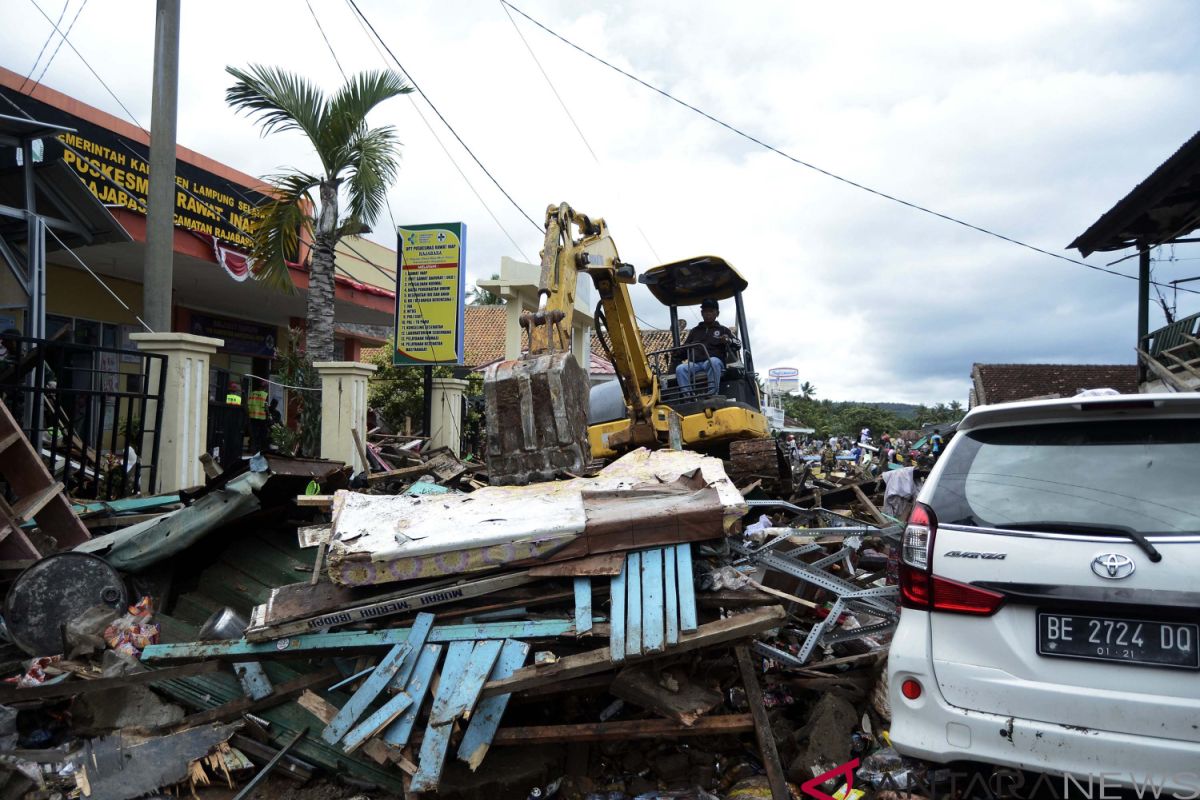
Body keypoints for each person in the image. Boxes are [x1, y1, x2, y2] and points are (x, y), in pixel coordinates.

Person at [673, 298, 736, 396]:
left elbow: (738, 344)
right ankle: (689, 397)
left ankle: (712, 395)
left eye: (711, 311)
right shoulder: (694, 331)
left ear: (717, 313)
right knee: (680, 369)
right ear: (702, 313)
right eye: (705, 311)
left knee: (713, 361)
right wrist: (676, 352)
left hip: (712, 362)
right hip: (695, 364)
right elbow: (685, 350)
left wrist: (728, 340)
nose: (708, 314)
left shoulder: (723, 330)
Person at [221, 379, 245, 469]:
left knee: (226, 445)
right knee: (234, 445)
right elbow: (242, 410)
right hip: (235, 424)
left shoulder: (224, 397)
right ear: (235, 391)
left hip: (226, 422)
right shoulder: (238, 399)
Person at [246, 378, 270, 455]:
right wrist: (269, 415)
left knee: (253, 434)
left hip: (252, 417)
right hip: (261, 418)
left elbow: (248, 404)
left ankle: (251, 449)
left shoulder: (252, 393)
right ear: (265, 387)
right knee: (261, 434)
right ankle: (258, 450)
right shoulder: (265, 395)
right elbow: (266, 407)